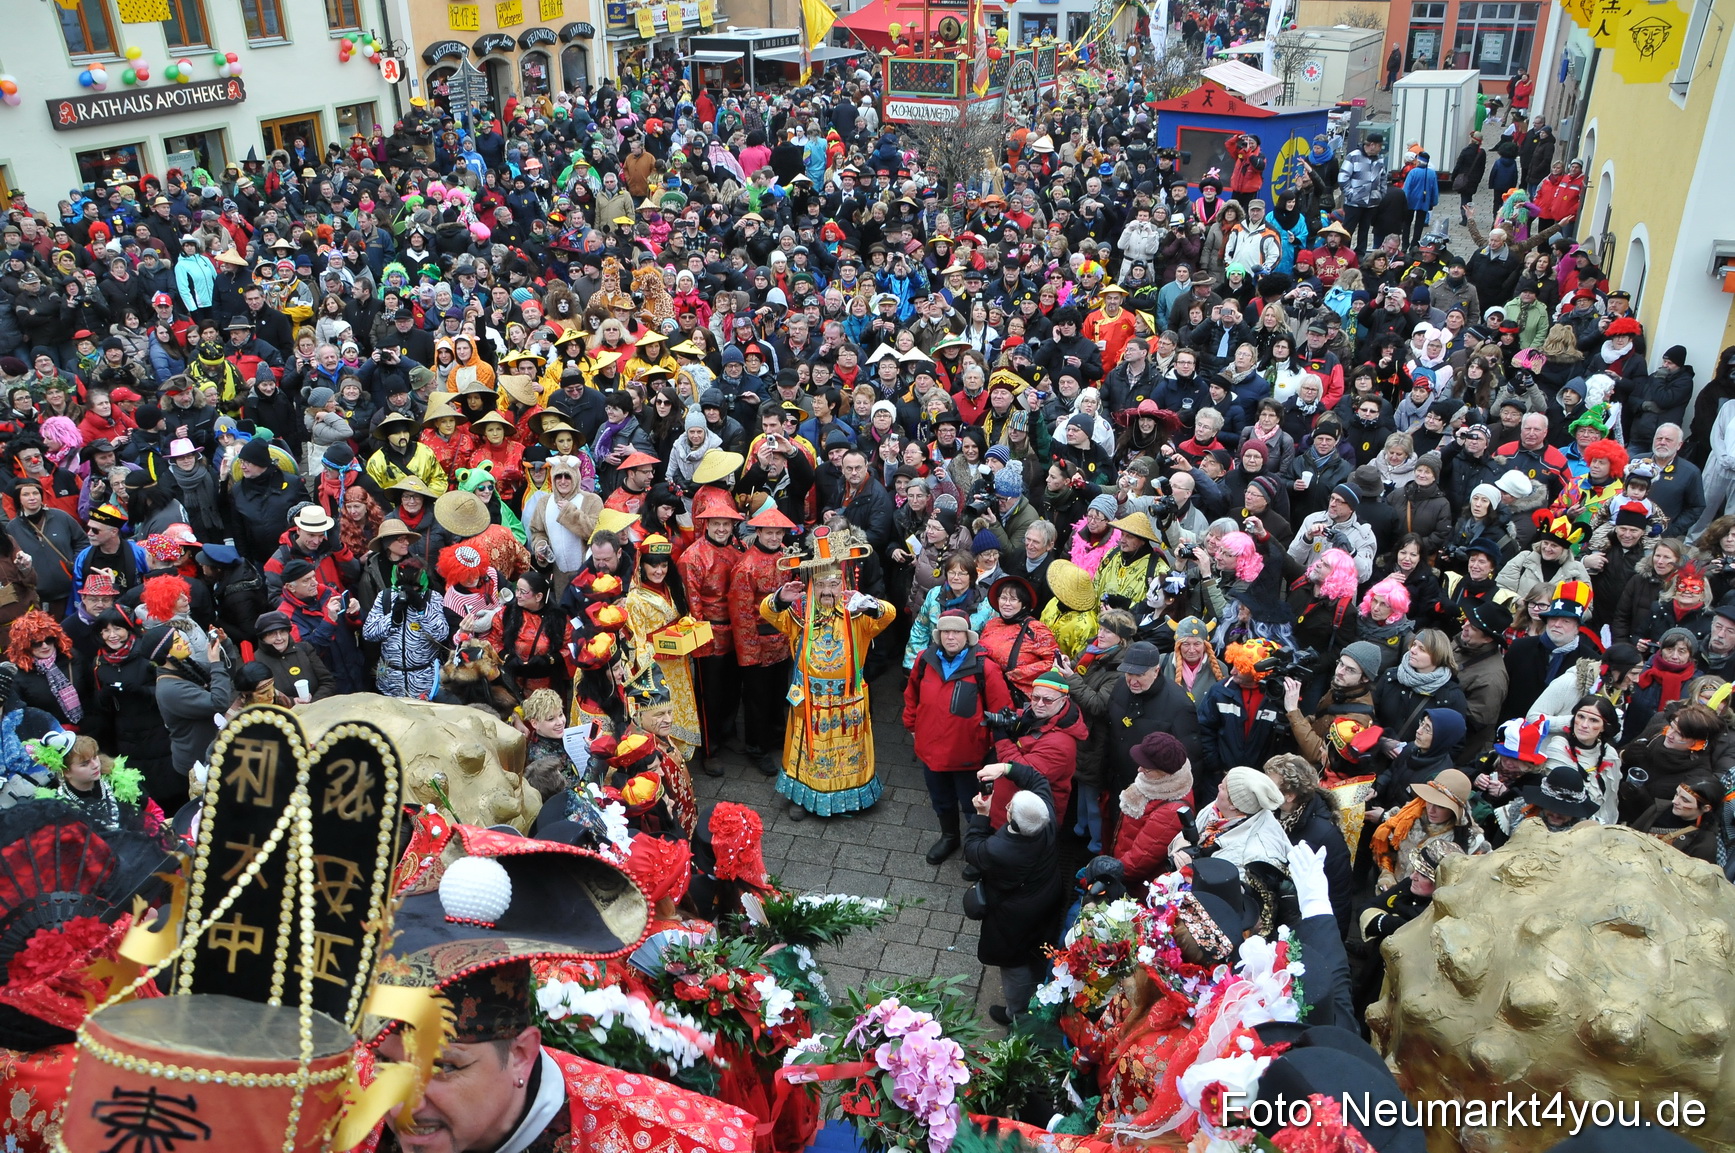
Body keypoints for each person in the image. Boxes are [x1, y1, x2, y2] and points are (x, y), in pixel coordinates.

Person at [761, 526, 896, 820]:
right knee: (808, 750)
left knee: (847, 751)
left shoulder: (857, 612)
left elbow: (889, 614)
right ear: (812, 585)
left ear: (842, 584)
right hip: (811, 699)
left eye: (833, 584)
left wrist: (870, 604)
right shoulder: (799, 613)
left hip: (848, 699)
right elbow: (767, 612)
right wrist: (781, 597)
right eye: (821, 584)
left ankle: (850, 797)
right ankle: (804, 797)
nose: (827, 591)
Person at [905, 607, 1015, 860]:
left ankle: (978, 849)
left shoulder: (985, 668)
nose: (950, 636)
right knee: (940, 799)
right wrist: (912, 726)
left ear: (968, 635)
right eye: (945, 632)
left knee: (973, 805)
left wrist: (987, 744)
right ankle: (950, 837)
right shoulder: (924, 660)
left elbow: (1002, 712)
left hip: (969, 756)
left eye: (956, 631)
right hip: (931, 753)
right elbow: (911, 696)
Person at [965, 759, 1066, 1025]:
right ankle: (1040, 983)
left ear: (1010, 814)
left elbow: (973, 849)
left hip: (1013, 917)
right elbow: (1038, 780)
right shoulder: (1046, 818)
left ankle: (1017, 1014)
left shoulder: (999, 850)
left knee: (1014, 963)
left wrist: (981, 815)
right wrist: (1006, 769)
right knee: (1039, 948)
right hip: (1046, 897)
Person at [1111, 731, 1194, 895]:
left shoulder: (1170, 813)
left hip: (1135, 887)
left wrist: (1107, 874)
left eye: (1147, 769)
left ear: (1165, 773)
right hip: (1121, 862)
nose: (1139, 769)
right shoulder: (1157, 784)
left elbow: (1138, 861)